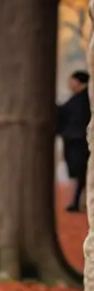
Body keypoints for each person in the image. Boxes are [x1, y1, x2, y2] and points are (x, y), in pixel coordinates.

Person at [58, 71, 91, 212]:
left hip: (80, 142)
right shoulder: (81, 98)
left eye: (71, 81)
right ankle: (79, 202)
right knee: (82, 175)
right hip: (78, 141)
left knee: (82, 174)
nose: (69, 84)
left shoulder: (83, 100)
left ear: (77, 82)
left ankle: (78, 203)